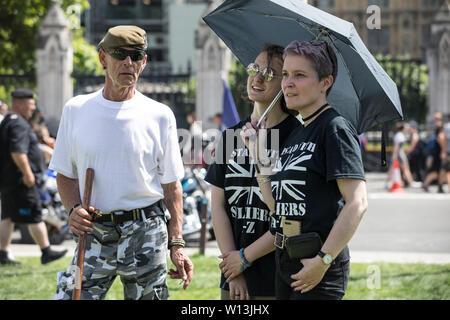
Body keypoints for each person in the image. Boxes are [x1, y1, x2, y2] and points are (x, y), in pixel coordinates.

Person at [49, 25, 193, 300]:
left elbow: (172, 186)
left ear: (144, 62)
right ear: (103, 58)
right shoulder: (76, 109)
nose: (129, 62)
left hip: (145, 230)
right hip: (94, 230)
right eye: (120, 54)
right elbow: (65, 173)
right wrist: (72, 210)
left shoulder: (160, 115)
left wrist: (177, 244)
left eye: (136, 55)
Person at [240, 40, 368, 300]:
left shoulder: (334, 129)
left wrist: (324, 260)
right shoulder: (298, 132)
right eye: (285, 74)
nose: (287, 83)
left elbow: (358, 202)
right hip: (286, 260)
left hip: (317, 266)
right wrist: (256, 154)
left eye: (300, 75)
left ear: (325, 82)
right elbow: (276, 206)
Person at [205, 44, 300, 300]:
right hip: (233, 278)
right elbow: (217, 205)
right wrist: (233, 271)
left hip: (276, 276)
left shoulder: (297, 138)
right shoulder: (229, 136)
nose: (257, 78)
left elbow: (289, 216)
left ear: (285, 83)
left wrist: (244, 259)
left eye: (269, 74)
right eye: (254, 69)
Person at [0, 88, 67, 265]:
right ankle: (46, 251)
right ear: (20, 103)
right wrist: (28, 174)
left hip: (8, 180)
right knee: (35, 215)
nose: (32, 109)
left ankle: (2, 253)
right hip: (22, 180)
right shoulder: (18, 124)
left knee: (7, 217)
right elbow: (18, 152)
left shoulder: (8, 121)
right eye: (30, 105)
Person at [423, 113, 447, 193]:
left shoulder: (438, 128)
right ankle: (426, 185)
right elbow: (441, 141)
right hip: (437, 153)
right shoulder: (439, 130)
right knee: (436, 171)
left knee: (439, 171)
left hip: (436, 153)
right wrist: (444, 151)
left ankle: (439, 187)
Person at [387, 122, 415, 188]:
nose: (408, 128)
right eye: (406, 127)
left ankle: (388, 182)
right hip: (400, 154)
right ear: (403, 128)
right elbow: (396, 146)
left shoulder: (399, 134)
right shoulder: (399, 135)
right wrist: (394, 155)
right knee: (405, 169)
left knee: (393, 169)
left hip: (400, 153)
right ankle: (410, 182)